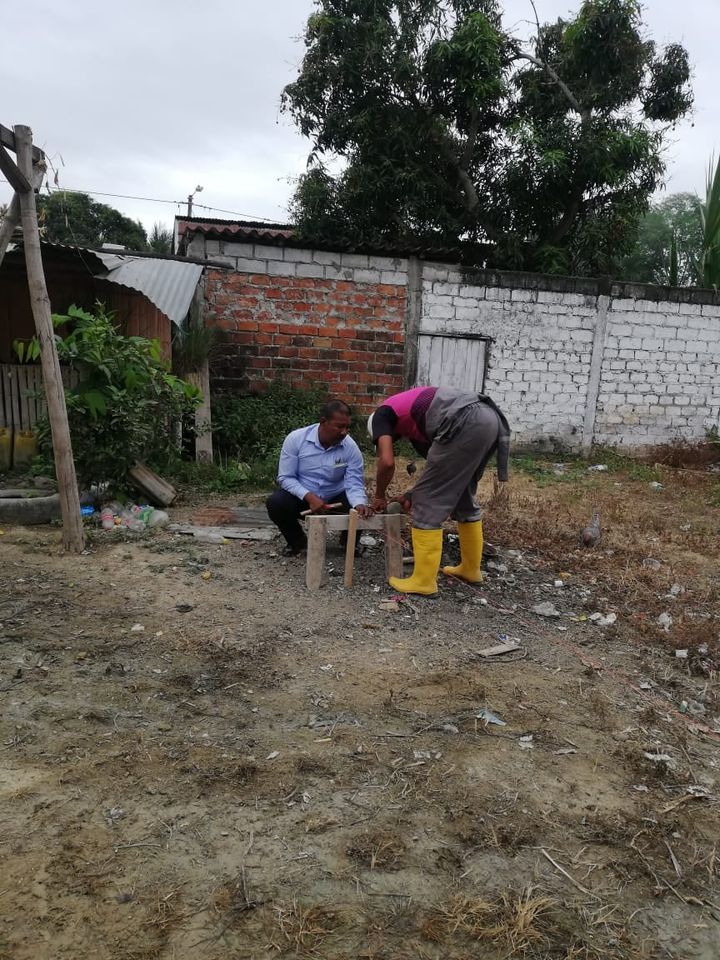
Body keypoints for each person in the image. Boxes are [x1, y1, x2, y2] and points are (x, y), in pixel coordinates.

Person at [368, 386, 510, 595]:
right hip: (489, 419)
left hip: (464, 419)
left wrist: (379, 496)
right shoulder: (417, 425)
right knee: (463, 495)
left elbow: (387, 462)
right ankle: (470, 569)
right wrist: (410, 495)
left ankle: (423, 581)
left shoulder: (382, 414)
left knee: (427, 502)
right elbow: (440, 475)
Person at [266, 399, 372, 555]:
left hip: (335, 499)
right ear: (323, 422)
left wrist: (359, 504)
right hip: (303, 498)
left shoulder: (350, 447)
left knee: (358, 508)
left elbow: (354, 482)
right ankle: (298, 542)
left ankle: (348, 544)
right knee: (276, 503)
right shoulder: (296, 439)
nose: (344, 432)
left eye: (347, 427)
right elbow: (286, 477)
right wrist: (310, 497)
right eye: (339, 426)